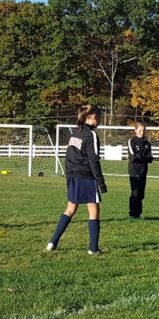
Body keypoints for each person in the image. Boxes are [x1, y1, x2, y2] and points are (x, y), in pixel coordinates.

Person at [47, 104, 107, 254]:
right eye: (99, 116)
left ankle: (52, 242)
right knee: (94, 211)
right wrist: (100, 182)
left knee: (70, 209)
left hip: (72, 175)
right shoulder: (90, 135)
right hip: (86, 176)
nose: (100, 120)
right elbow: (94, 160)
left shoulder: (76, 132)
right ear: (93, 117)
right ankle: (93, 249)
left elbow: (69, 155)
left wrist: (70, 174)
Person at [127, 120, 153, 220]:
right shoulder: (131, 142)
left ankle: (138, 213)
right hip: (134, 171)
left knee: (141, 193)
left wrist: (142, 157)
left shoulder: (147, 143)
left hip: (143, 171)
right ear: (135, 130)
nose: (142, 132)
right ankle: (132, 214)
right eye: (140, 130)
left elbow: (150, 158)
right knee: (135, 192)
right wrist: (143, 157)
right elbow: (134, 157)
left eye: (143, 130)